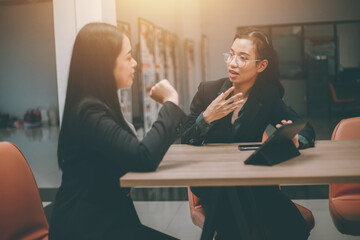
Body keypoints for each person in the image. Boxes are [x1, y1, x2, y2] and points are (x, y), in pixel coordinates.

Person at [49, 23, 186, 240]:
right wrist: (170, 102)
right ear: (104, 64)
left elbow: (137, 153)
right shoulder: (89, 112)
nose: (135, 63)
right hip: (85, 229)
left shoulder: (97, 107)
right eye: (128, 57)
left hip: (106, 220)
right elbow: (144, 157)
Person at [182, 27, 315, 240]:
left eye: (242, 58)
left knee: (295, 227)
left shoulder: (267, 95)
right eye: (231, 54)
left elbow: (305, 127)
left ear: (261, 65)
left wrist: (297, 139)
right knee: (236, 232)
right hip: (215, 184)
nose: (232, 63)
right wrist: (206, 117)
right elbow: (186, 140)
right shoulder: (207, 91)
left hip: (254, 182)